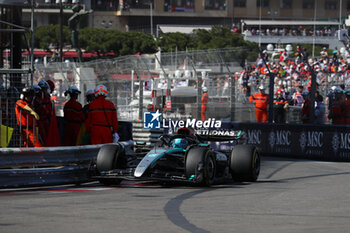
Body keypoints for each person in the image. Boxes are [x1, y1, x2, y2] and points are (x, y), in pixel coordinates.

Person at [34, 80, 51, 146]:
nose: (45, 90)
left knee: (48, 136)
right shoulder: (36, 99)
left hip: (46, 120)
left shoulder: (47, 98)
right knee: (42, 137)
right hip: (40, 121)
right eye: (44, 89)